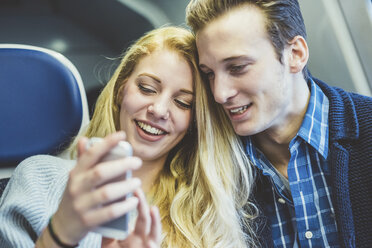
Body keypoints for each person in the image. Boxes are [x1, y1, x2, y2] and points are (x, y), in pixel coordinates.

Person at [0, 26, 258, 248]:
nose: (158, 110)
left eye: (182, 102)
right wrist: (59, 236)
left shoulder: (207, 213)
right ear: (122, 88)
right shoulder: (39, 179)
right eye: (147, 88)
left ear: (195, 122)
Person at [186, 0, 372, 247]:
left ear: (295, 54)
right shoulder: (209, 166)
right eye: (209, 73)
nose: (220, 93)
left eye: (237, 67)